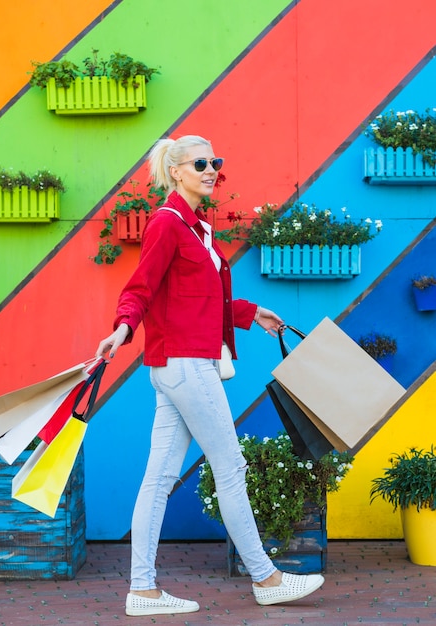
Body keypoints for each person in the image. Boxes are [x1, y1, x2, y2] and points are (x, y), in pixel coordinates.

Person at [96, 135, 324, 617]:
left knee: (157, 479)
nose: (210, 169)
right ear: (176, 171)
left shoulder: (197, 227)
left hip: (179, 365)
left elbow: (202, 301)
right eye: (200, 162)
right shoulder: (167, 223)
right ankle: (265, 577)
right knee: (231, 466)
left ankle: (142, 589)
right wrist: (122, 328)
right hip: (183, 364)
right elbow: (141, 286)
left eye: (214, 162)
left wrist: (250, 312)